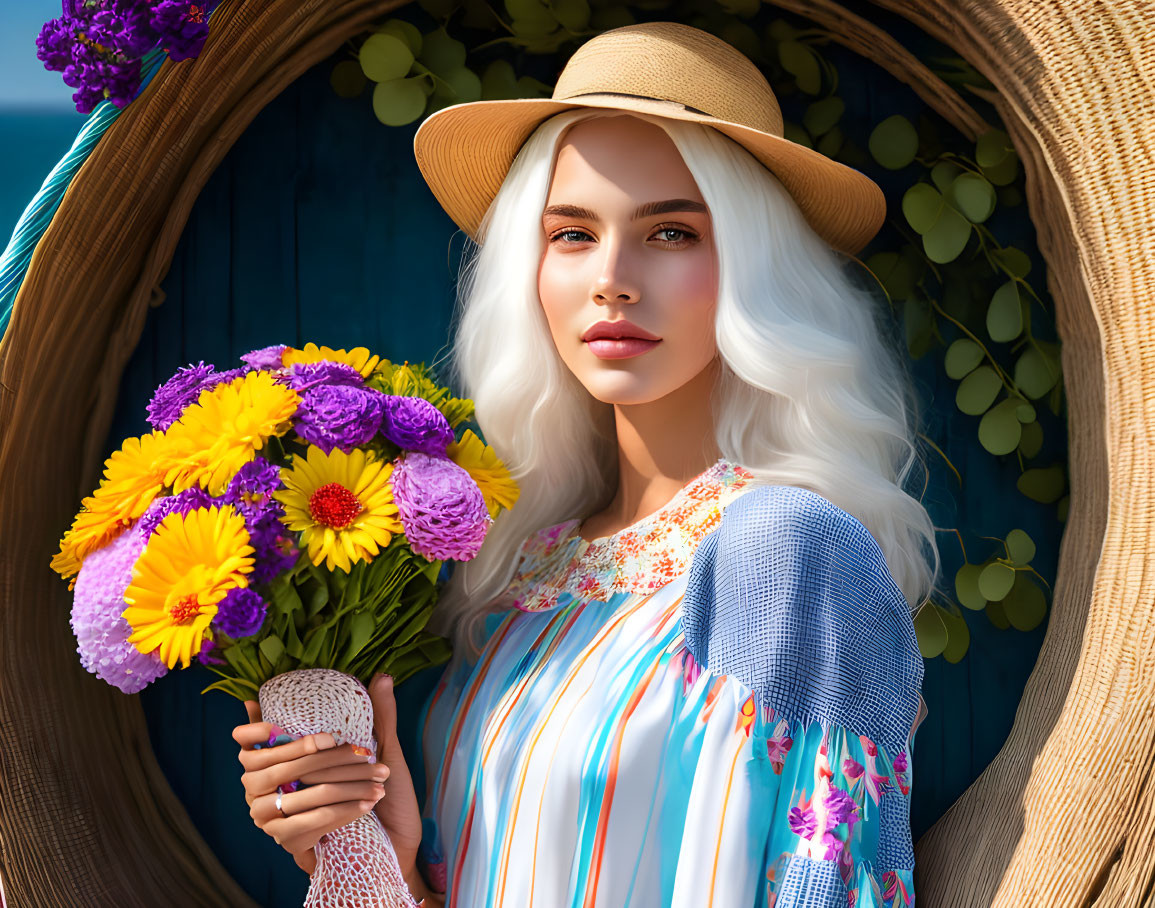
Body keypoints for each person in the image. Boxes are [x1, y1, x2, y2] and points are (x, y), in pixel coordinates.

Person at [233, 21, 935, 907]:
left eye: (671, 232)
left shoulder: (789, 552)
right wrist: (377, 857)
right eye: (570, 233)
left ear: (755, 267)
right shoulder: (518, 571)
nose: (612, 277)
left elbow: (836, 885)